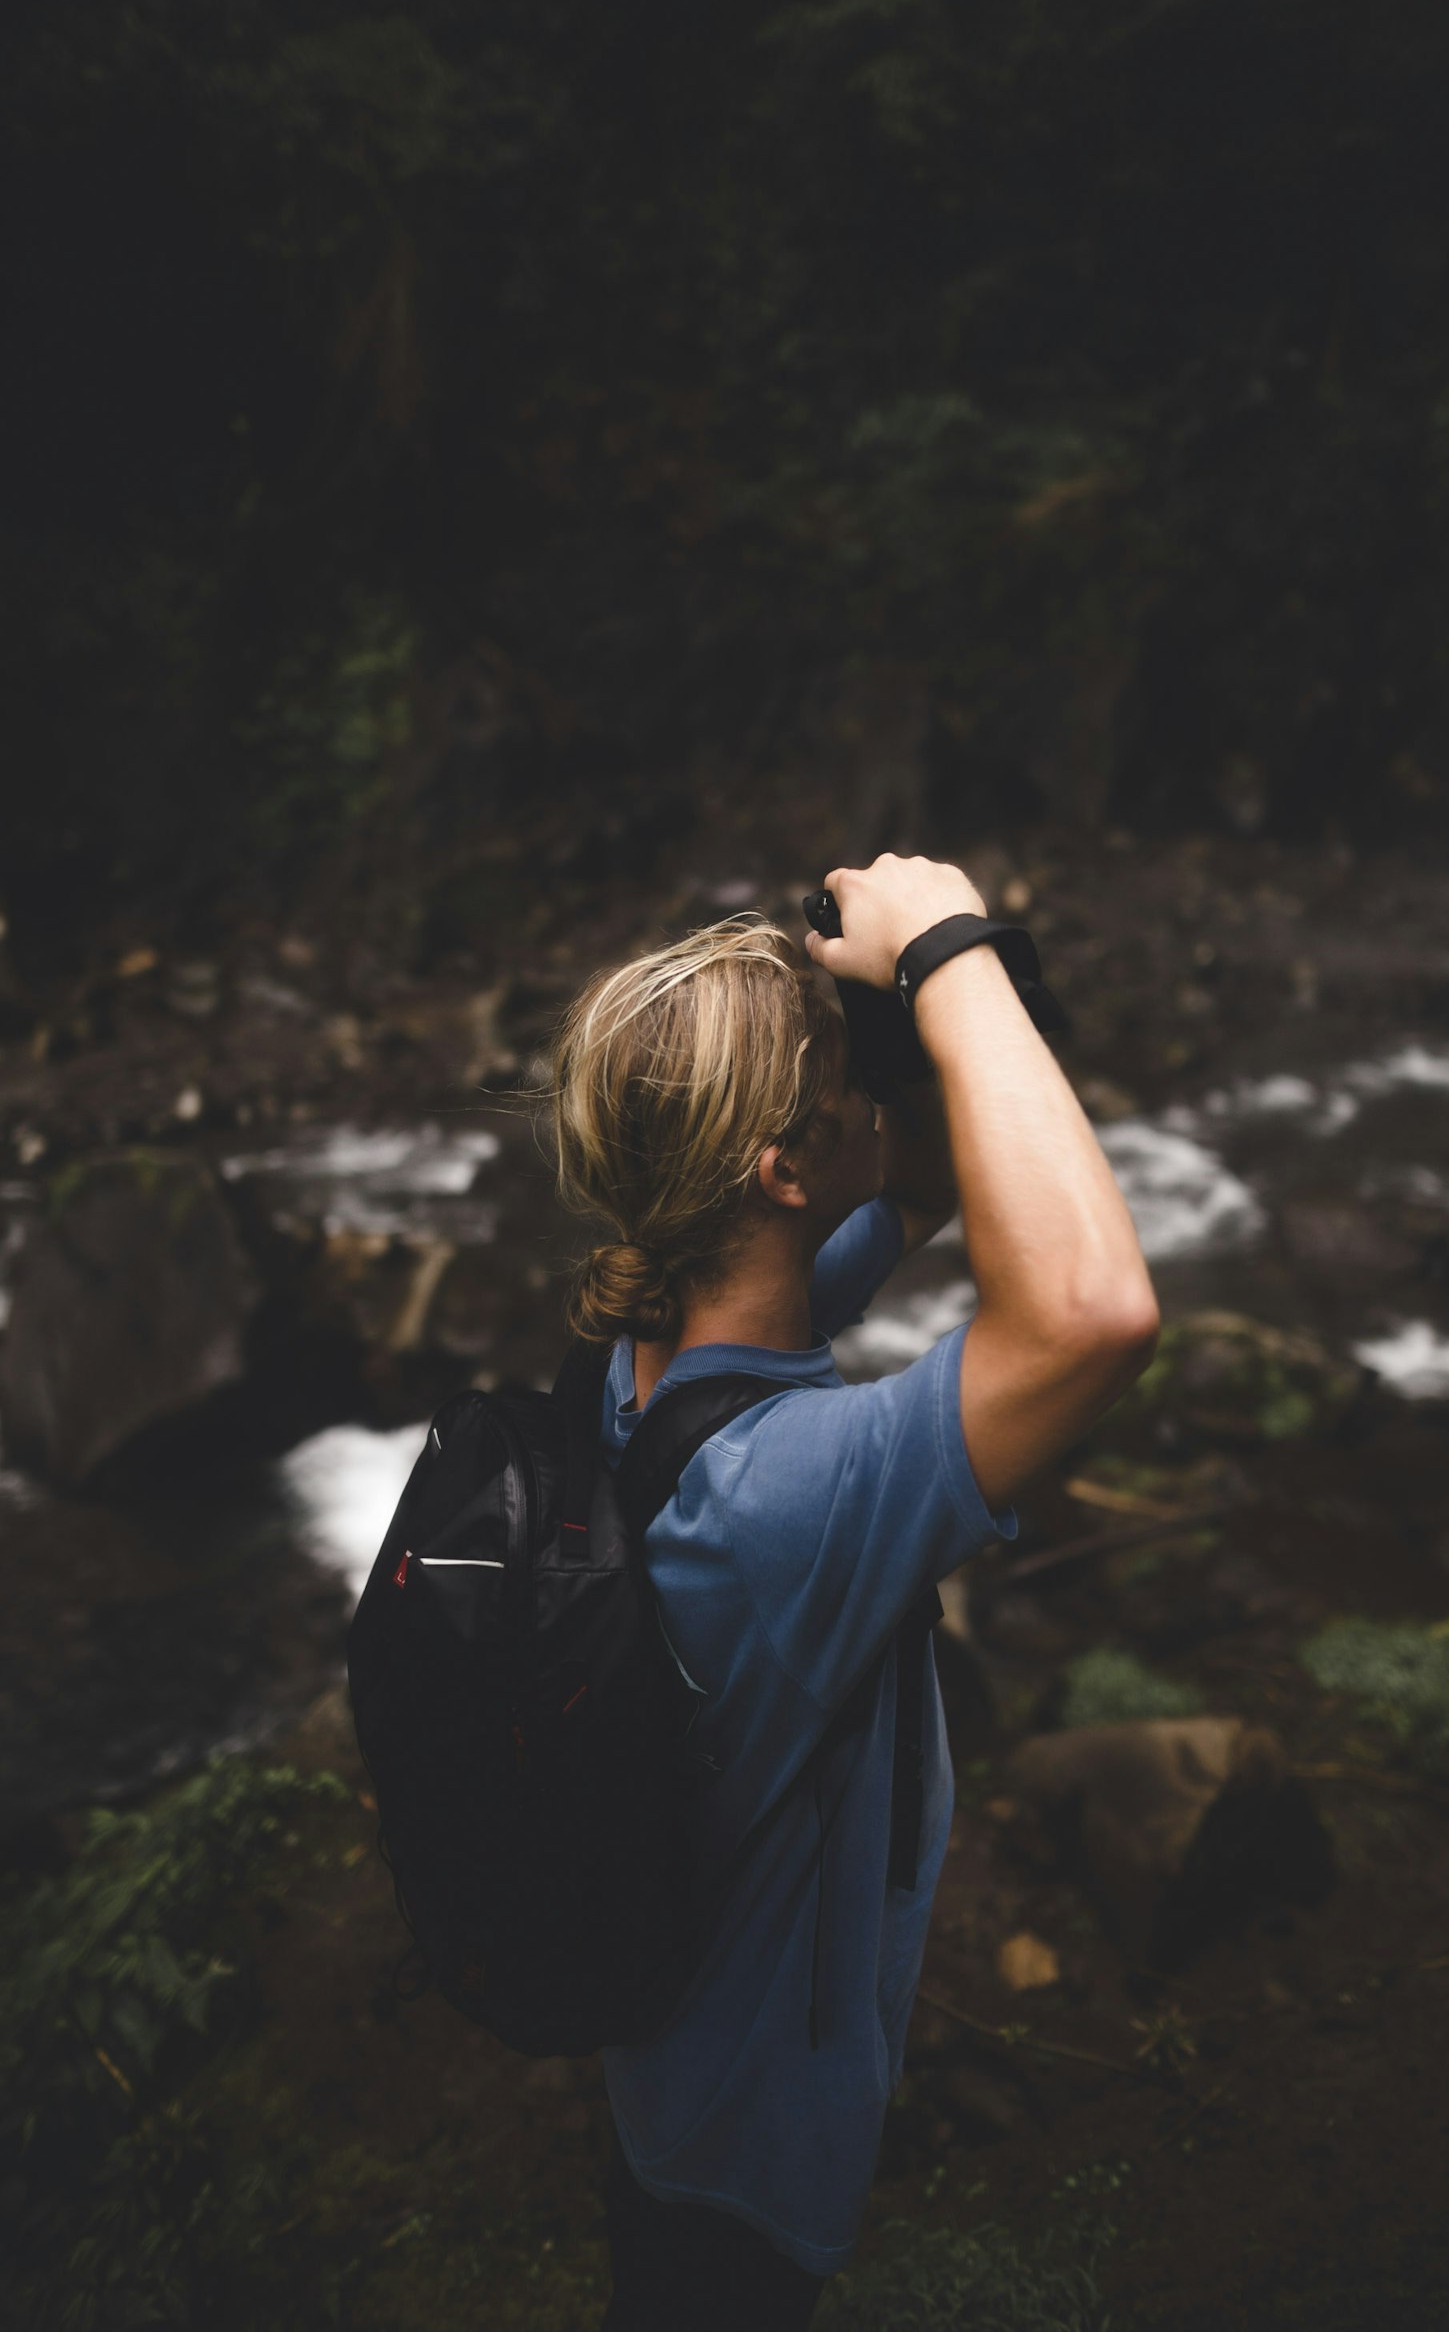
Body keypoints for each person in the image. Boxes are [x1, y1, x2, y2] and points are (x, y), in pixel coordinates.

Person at [540, 853, 1161, 2331]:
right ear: (787, 1176)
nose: (875, 1098)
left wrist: (936, 1008)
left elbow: (948, 1176)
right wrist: (947, 953)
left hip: (668, 2072)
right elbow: (1090, 1309)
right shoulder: (780, 1499)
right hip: (751, 2153)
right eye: (844, 1086)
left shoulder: (656, 1359)